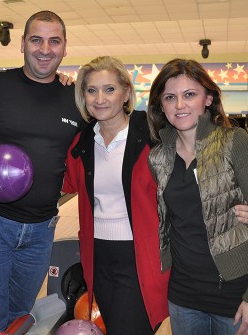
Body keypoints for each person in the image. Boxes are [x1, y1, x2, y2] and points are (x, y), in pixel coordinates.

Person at [0, 10, 83, 334]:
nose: (45, 49)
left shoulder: (75, 97)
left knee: (19, 317)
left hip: (41, 228)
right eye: (36, 40)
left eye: (54, 41)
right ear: (22, 44)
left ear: (65, 47)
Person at [146, 58, 248, 335]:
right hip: (183, 297)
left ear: (208, 98)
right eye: (170, 97)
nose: (180, 105)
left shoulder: (235, 142)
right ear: (161, 105)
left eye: (190, 95)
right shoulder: (158, 156)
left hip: (236, 294)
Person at [62, 56, 169, 335]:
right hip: (98, 255)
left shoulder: (152, 134)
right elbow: (66, 184)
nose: (100, 98)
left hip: (139, 254)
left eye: (109, 89)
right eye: (91, 90)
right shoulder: (82, 141)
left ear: (126, 93)